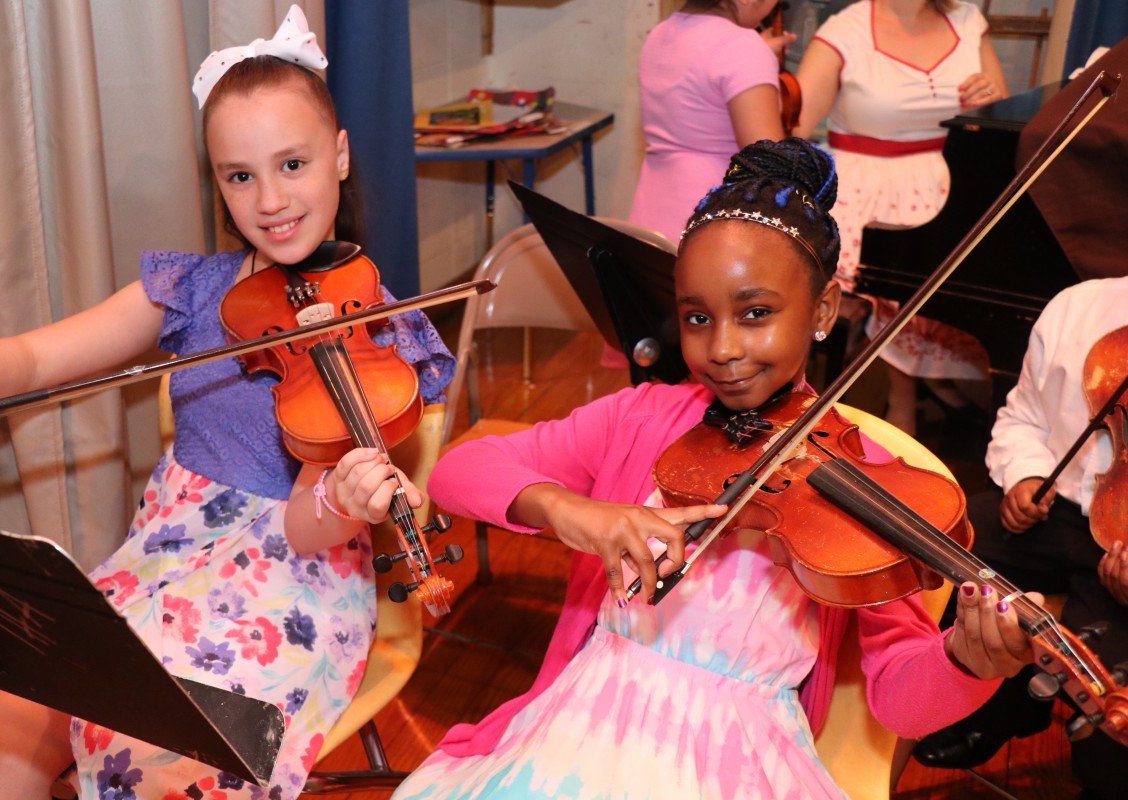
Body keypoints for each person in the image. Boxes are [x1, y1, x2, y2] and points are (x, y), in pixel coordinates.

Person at [391, 138, 1035, 799]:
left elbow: (900, 698)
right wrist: (575, 512)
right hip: (579, 728)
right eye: (698, 317)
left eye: (756, 314)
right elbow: (459, 470)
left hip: (740, 763)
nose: (722, 348)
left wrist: (967, 661)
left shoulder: (872, 487)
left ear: (821, 311)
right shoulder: (642, 418)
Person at [0, 7, 453, 799]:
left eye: (293, 164)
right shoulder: (192, 290)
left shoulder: (381, 330)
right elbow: (39, 352)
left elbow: (320, 521)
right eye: (240, 176)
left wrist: (346, 499)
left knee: (160, 764)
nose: (270, 199)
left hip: (290, 578)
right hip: (165, 560)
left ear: (340, 157)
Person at [912, 277, 1128, 800]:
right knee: (940, 550)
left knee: (1109, 739)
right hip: (1058, 512)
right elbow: (1024, 417)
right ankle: (995, 709)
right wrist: (1026, 476)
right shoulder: (1077, 305)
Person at [793, 0, 1008, 435]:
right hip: (863, 189)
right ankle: (902, 405)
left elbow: (1003, 116)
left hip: (948, 183)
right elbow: (794, 127)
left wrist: (991, 100)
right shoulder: (846, 29)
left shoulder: (968, 21)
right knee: (894, 278)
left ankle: (941, 387)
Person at [628, 0, 791, 245]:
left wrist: (755, 56)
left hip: (650, 218)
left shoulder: (661, 33)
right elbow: (770, 168)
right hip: (712, 228)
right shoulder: (742, 47)